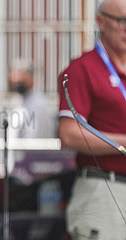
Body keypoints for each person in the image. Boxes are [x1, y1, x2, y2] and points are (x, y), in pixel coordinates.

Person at [58, 0, 126, 239]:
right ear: (101, 21)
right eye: (122, 21)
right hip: (105, 188)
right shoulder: (82, 68)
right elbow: (69, 134)